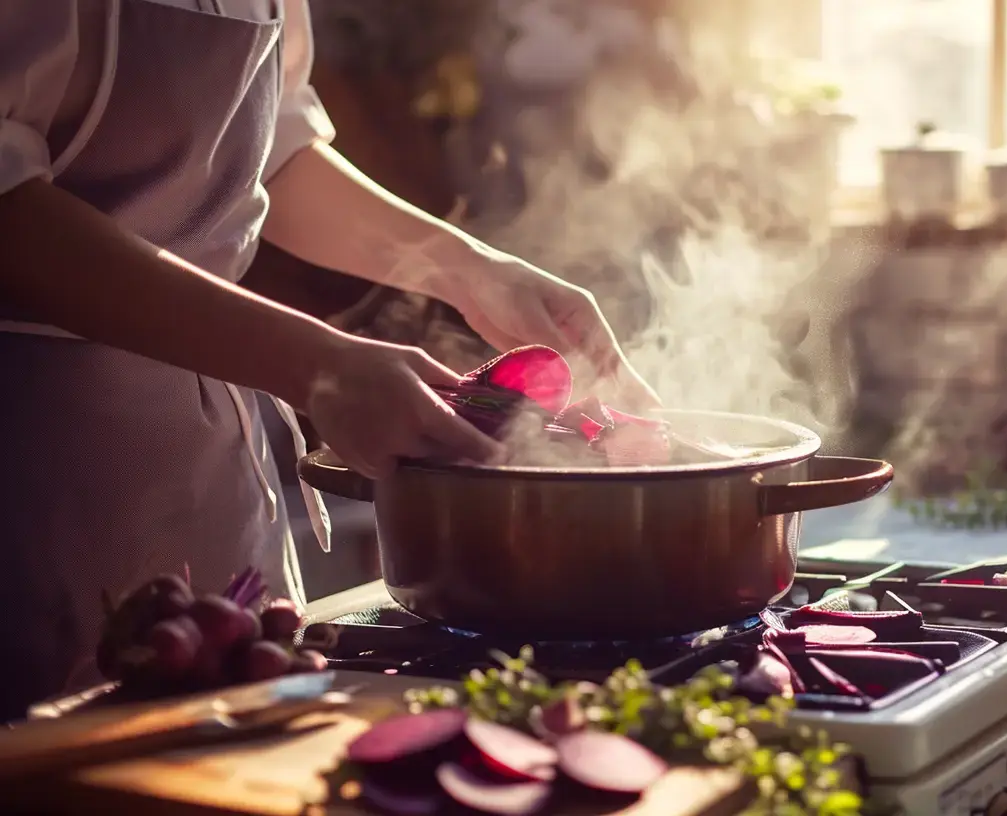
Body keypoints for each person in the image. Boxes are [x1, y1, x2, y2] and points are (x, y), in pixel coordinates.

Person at [0, 0, 656, 718]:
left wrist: (470, 269)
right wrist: (312, 362)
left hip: (217, 465)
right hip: (41, 473)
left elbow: (271, 152)